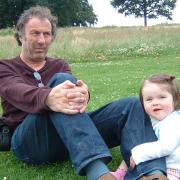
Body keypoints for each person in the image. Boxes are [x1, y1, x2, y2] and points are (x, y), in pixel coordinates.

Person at [0, 6, 167, 180]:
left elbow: (73, 98)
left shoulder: (59, 64)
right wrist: (49, 97)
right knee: (62, 80)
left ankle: (151, 172)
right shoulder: (5, 67)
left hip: (69, 138)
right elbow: (18, 91)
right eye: (35, 33)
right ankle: (98, 172)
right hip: (30, 142)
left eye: (47, 34)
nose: (42, 40)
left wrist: (83, 93)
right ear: (21, 35)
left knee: (132, 105)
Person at [111, 74, 180, 180]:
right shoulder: (151, 119)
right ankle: (120, 173)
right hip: (158, 165)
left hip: (173, 171)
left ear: (175, 100)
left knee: (137, 150)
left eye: (162, 97)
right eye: (149, 99)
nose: (155, 103)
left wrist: (139, 152)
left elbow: (167, 146)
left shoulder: (173, 121)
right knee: (135, 145)